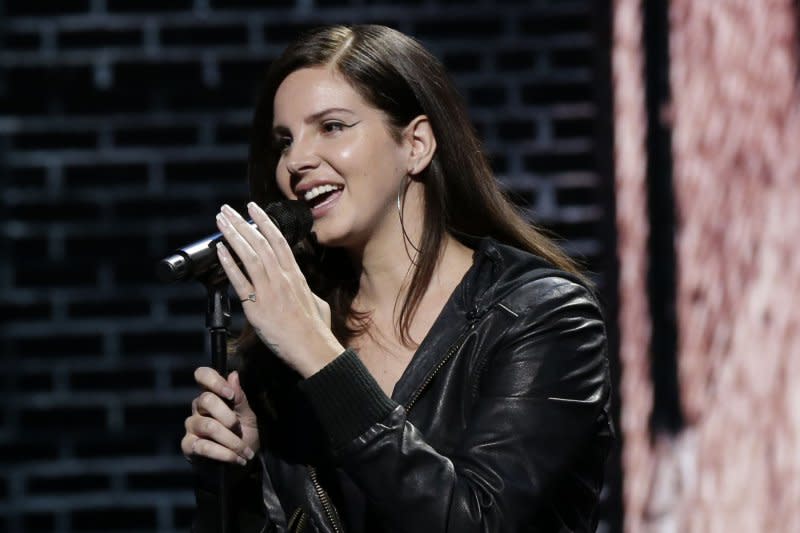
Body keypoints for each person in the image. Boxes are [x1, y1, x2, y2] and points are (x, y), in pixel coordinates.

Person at [182, 24, 613, 533]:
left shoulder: (542, 317)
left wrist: (322, 358)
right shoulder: (279, 357)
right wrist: (244, 477)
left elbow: (477, 522)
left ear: (416, 144)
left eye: (333, 127)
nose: (295, 162)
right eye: (284, 141)